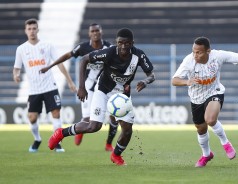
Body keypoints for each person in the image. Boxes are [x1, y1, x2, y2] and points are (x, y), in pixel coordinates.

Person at [48, 28, 155, 166]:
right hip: (103, 91)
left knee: (127, 130)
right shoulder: (109, 52)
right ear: (116, 42)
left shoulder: (139, 56)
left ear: (132, 43)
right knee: (94, 126)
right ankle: (61, 133)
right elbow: (84, 60)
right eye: (120, 43)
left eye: (127, 43)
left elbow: (152, 75)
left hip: (122, 96)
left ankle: (116, 155)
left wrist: (145, 81)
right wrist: (82, 87)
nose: (123, 46)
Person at [171, 36, 238, 167]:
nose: (195, 55)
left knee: (210, 119)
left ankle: (225, 143)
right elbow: (174, 80)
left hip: (214, 92)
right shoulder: (188, 61)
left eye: (199, 52)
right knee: (201, 129)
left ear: (208, 51)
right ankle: (206, 154)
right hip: (196, 98)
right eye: (194, 51)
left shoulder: (218, 56)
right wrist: (186, 81)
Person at [40, 23, 118, 151]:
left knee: (114, 117)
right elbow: (67, 55)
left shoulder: (109, 47)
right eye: (92, 31)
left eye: (97, 30)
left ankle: (109, 144)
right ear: (89, 34)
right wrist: (50, 66)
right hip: (88, 87)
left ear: (101, 32)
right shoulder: (83, 47)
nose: (95, 33)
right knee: (88, 120)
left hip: (105, 86)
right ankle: (79, 130)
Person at [13, 18, 76, 153]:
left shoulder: (48, 46)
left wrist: (70, 82)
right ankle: (37, 139)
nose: (32, 31)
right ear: (26, 31)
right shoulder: (21, 49)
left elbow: (59, 63)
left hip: (50, 86)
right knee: (32, 117)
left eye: (34, 28)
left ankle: (57, 142)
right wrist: (16, 75)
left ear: (38, 30)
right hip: (34, 89)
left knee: (56, 113)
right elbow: (16, 67)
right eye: (29, 29)